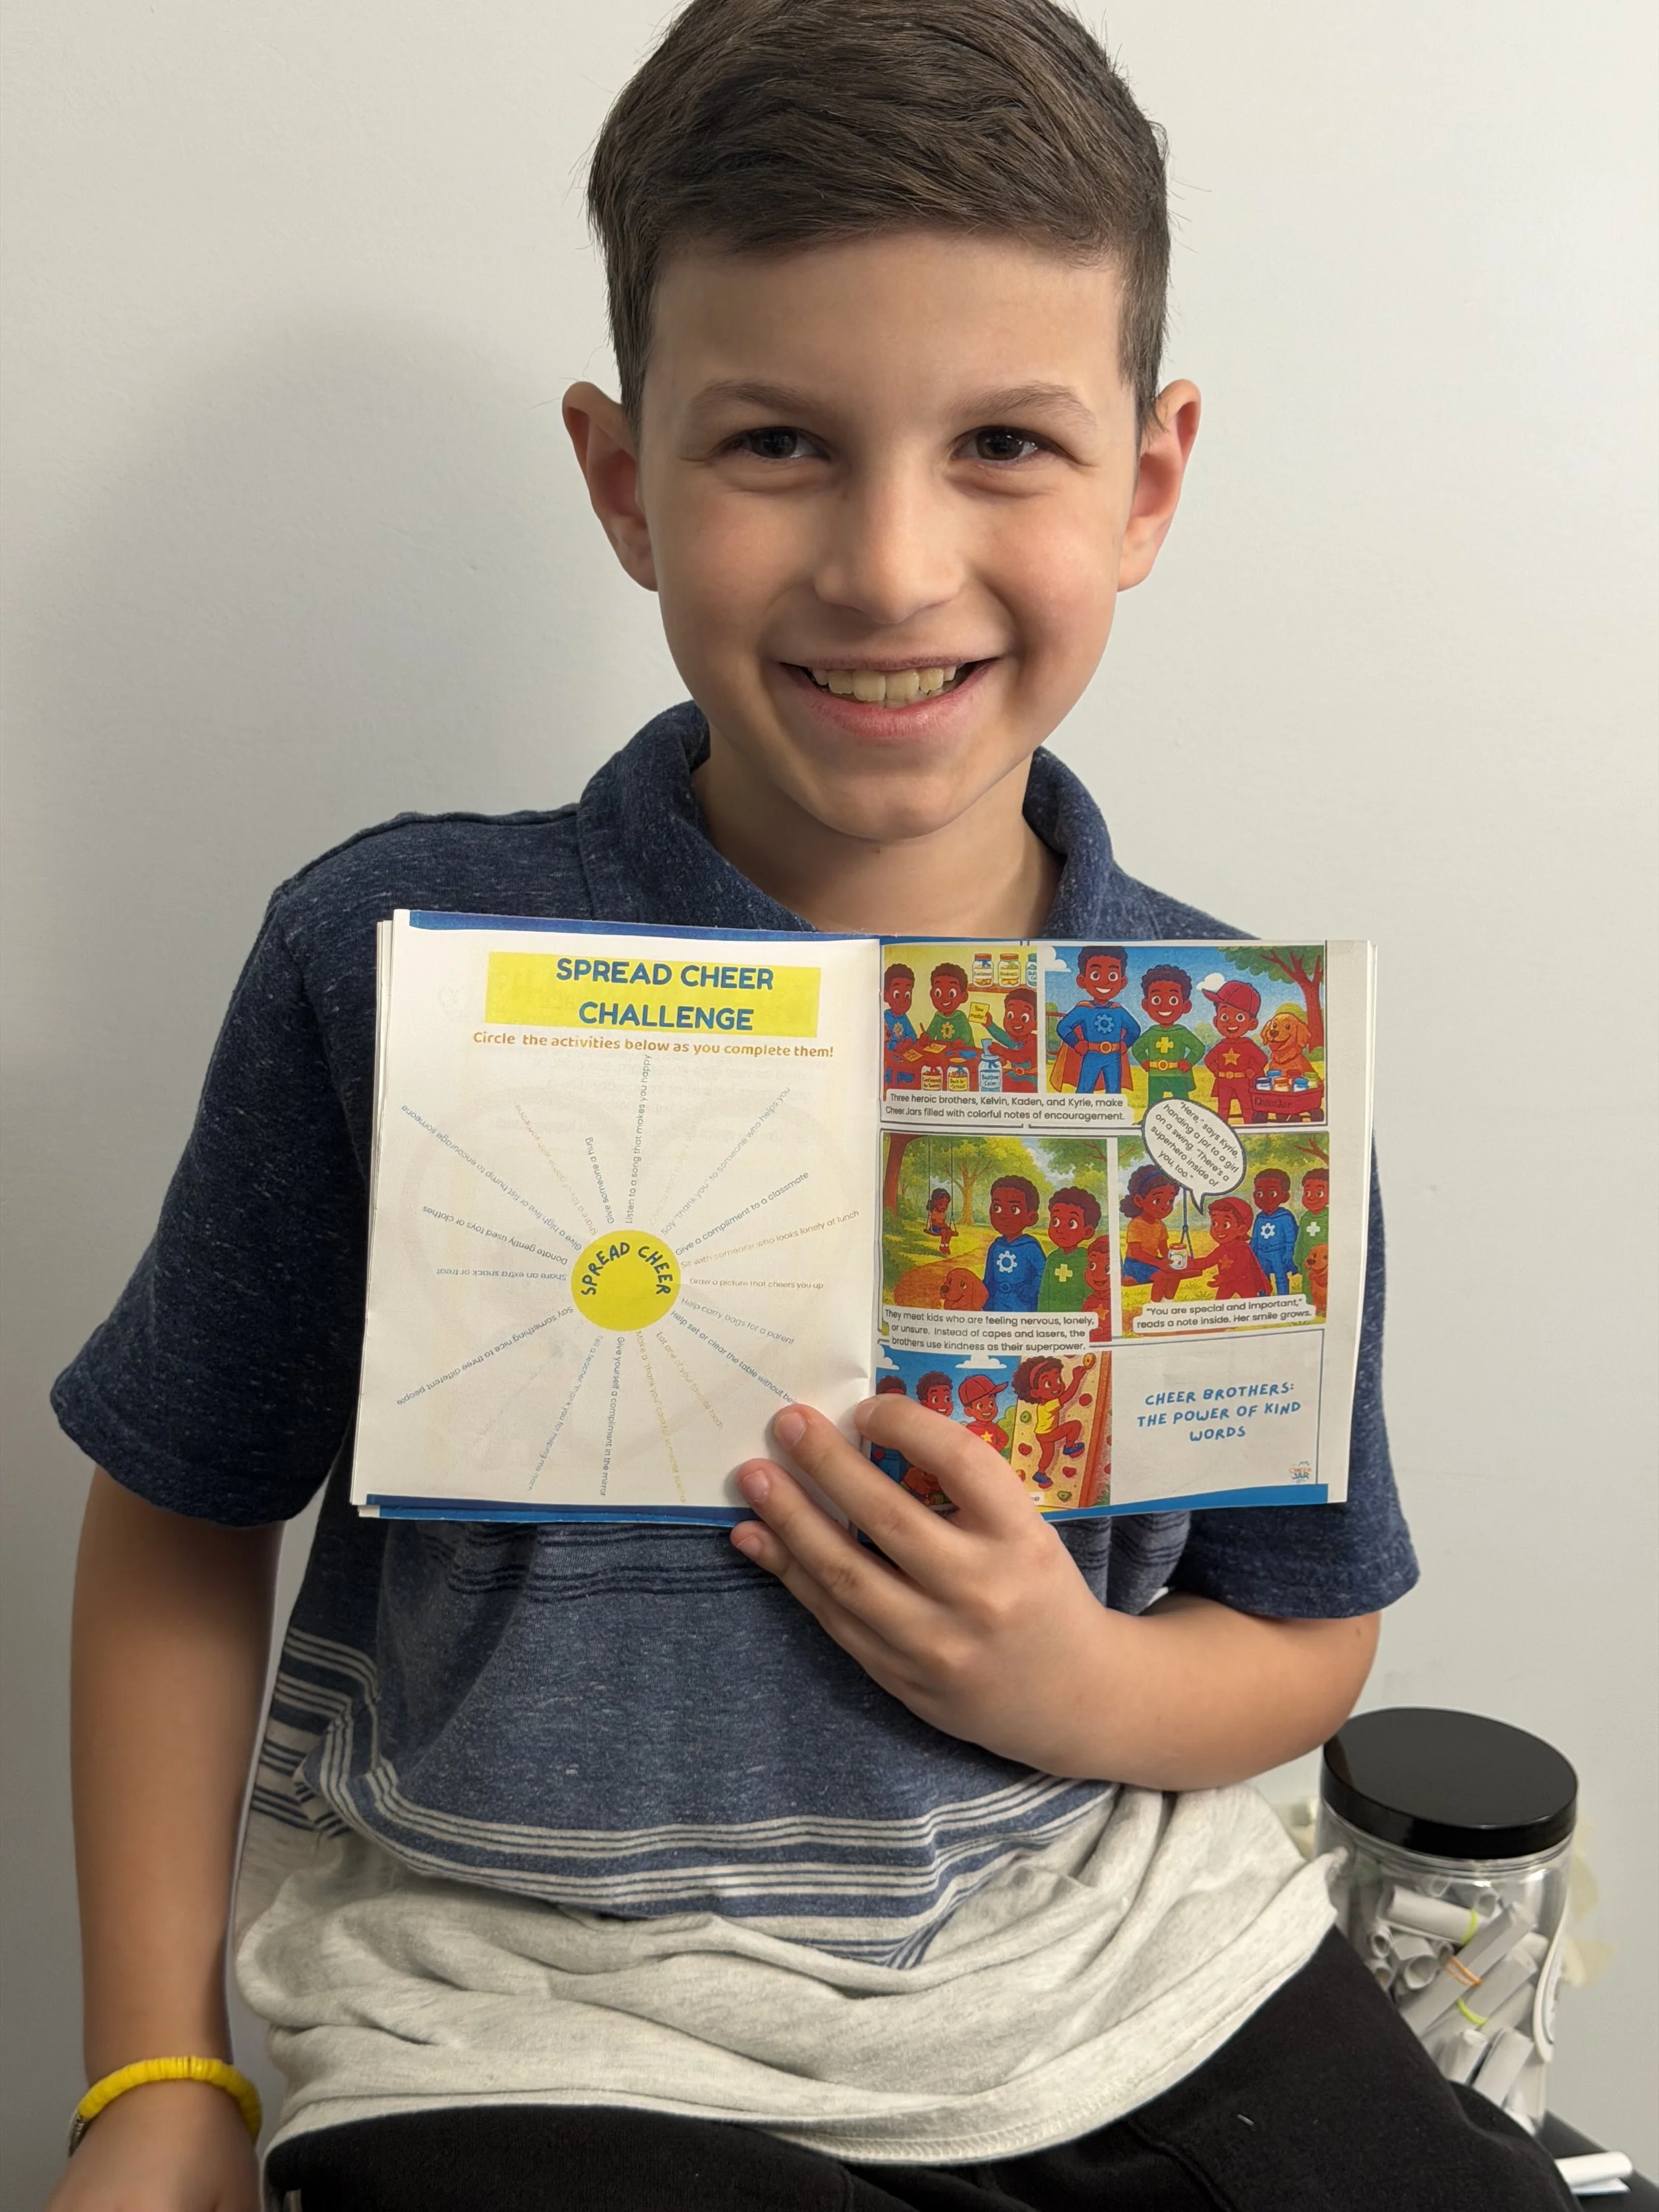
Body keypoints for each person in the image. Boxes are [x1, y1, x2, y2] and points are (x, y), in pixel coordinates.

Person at [47, 3, 1568, 2207]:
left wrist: (1082, 1690)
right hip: (528, 2009)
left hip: (1121, 1970)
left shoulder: (1221, 1066)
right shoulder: (380, 960)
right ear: (618, 476)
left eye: (1006, 450)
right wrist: (154, 2075)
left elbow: (1311, 1620)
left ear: (1146, 483)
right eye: (776, 444)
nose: (886, 563)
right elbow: (183, 1509)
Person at [1053, 944, 1139, 1094]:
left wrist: (1125, 1044)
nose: (1105, 982)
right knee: (1084, 1090)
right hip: (1091, 1055)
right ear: (1082, 980)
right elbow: (1063, 1027)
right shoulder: (1084, 1009)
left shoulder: (1118, 1011)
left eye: (1112, 976)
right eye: (1095, 975)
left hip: (1113, 1057)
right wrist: (1077, 1043)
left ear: (1122, 982)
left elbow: (1135, 1029)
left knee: (1114, 1091)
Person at [1129, 963, 1204, 1107]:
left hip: (1177, 1074)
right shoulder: (1152, 1033)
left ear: (1185, 1006)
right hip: (1155, 1075)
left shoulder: (1181, 1032)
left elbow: (1198, 1048)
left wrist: (1188, 1062)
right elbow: (1138, 1047)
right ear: (1146, 1005)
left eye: (1173, 1000)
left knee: (1182, 1102)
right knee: (1154, 1102)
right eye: (1156, 1000)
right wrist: (1144, 1061)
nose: (1164, 1007)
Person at [1200, 975, 1268, 1124]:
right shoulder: (1221, 1045)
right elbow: (1209, 1060)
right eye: (1224, 1017)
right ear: (1216, 1021)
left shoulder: (1248, 1045)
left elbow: (1262, 1059)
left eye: (1239, 1018)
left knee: (1247, 1106)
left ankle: (1250, 1127)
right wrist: (1216, 1071)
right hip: (1224, 1080)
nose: (1230, 1021)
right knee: (1223, 1107)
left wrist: (1252, 1070)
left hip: (1243, 1081)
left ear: (1252, 1024)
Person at [979, 1173, 1047, 1312]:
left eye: (1014, 1209)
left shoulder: (1030, 1247)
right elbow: (989, 1277)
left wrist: (1032, 1289)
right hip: (998, 1302)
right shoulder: (996, 1246)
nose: (1004, 1216)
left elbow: (1043, 1272)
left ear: (1031, 1217)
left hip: (1022, 1304)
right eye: (997, 1207)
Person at [1037, 1184, 1100, 1310]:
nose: (1060, 1229)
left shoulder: (1086, 1259)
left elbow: (1091, 1293)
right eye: (1055, 1221)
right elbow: (1044, 1292)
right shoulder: (1052, 1258)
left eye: (1071, 1224)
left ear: (1087, 1231)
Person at [1248, 1168, 1299, 1295]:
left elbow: (1291, 1239)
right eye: (1259, 1194)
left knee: (1281, 1278)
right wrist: (1251, 1253)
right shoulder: (1260, 1218)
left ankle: (1283, 1300)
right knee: (1262, 1279)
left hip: (1278, 1254)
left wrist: (1289, 1254)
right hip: (1261, 1254)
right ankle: (1263, 1300)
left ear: (1285, 1196)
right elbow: (1254, 1238)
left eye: (1272, 1193)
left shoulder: (1285, 1217)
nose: (1265, 1198)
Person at [883, 961, 920, 1086]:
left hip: (905, 1063)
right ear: (886, 995)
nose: (903, 1001)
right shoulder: (885, 1017)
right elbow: (882, 1043)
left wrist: (909, 1040)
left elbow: (912, 1034)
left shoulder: (904, 1017)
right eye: (897, 995)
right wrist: (895, 1046)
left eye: (908, 995)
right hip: (890, 1067)